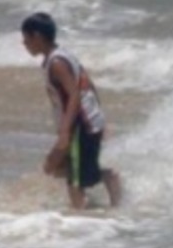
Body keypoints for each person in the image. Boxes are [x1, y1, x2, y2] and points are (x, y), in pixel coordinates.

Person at [21, 13, 121, 209]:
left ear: (38, 37)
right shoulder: (60, 56)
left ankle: (80, 219)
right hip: (86, 122)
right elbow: (87, 85)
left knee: (74, 182)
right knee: (53, 167)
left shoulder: (57, 63)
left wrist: (66, 132)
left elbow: (75, 94)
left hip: (80, 125)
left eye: (26, 38)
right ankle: (107, 179)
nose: (24, 43)